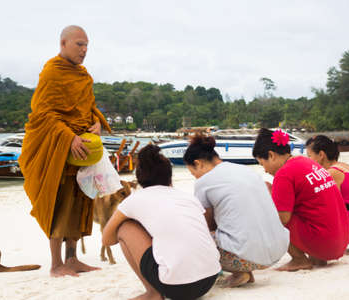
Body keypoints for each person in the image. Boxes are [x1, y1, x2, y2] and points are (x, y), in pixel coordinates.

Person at [19, 25, 112, 277]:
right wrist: (67, 136)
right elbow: (43, 113)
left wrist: (96, 122)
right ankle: (56, 264)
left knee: (79, 199)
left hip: (82, 147)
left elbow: (89, 107)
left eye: (86, 46)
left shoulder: (83, 76)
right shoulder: (52, 72)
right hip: (58, 148)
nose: (84, 51)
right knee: (59, 201)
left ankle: (73, 259)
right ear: (63, 44)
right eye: (79, 45)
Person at [103, 144, 220, 300]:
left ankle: (153, 293)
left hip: (177, 288)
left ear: (140, 178)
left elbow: (107, 239)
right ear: (169, 177)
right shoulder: (188, 198)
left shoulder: (135, 200)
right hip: (209, 279)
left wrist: (139, 230)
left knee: (126, 227)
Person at [183, 134, 289, 287]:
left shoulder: (203, 182)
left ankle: (240, 271)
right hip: (277, 251)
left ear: (198, 164)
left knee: (195, 236)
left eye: (193, 173)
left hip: (247, 258)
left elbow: (206, 225)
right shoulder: (246, 171)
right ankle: (244, 271)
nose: (195, 177)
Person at [252, 128, 349, 271]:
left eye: (262, 164)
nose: (265, 170)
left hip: (326, 244)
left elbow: (283, 219)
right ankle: (317, 258)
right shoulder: (307, 162)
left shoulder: (283, 173)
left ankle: (299, 260)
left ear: (271, 155)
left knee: (270, 216)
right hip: (340, 241)